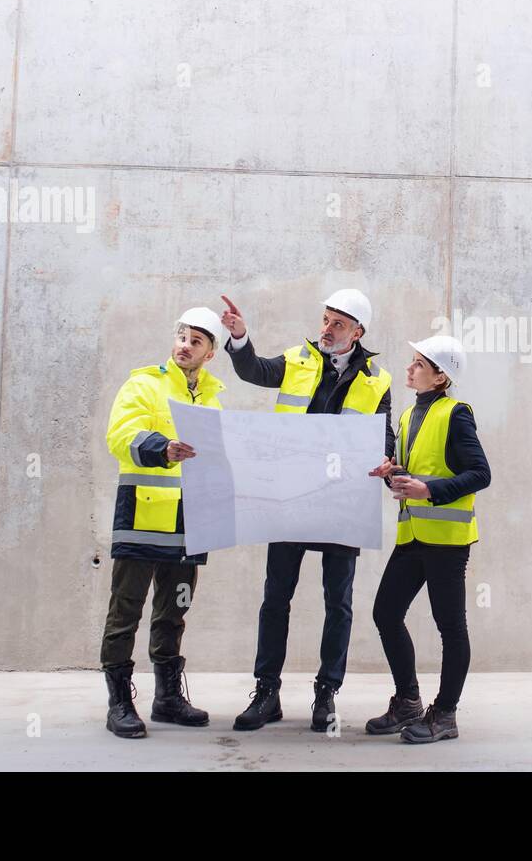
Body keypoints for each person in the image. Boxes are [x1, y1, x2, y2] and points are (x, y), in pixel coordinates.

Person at [220, 290, 395, 732]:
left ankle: (326, 695)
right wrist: (240, 338)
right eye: (325, 320)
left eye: (338, 324)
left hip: (341, 501)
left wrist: (387, 459)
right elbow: (255, 371)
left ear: (358, 332)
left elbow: (383, 433)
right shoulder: (298, 359)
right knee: (276, 598)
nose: (326, 330)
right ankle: (267, 693)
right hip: (290, 496)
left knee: (338, 602)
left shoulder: (378, 378)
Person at [99, 307, 227, 739]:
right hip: (142, 516)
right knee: (125, 614)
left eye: (196, 341)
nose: (185, 346)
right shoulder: (144, 384)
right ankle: (119, 702)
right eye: (181, 337)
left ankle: (167, 698)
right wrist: (162, 448)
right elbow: (120, 435)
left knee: (174, 613)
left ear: (210, 353)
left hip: (188, 525)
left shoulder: (211, 398)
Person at [365, 335, 490, 743]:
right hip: (413, 536)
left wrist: (429, 490)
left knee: (450, 626)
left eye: (419, 364)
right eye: (413, 362)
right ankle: (408, 703)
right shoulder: (406, 416)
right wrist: (393, 475)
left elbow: (480, 473)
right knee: (386, 613)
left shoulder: (457, 414)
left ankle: (446, 715)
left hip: (446, 542)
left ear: (440, 376)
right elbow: (411, 477)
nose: (410, 368)